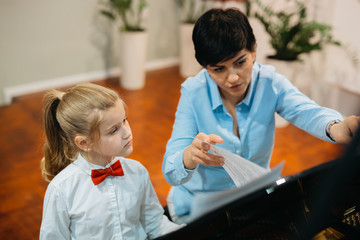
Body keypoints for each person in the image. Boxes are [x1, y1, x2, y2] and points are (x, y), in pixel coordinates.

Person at [162, 8, 360, 224]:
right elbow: (170, 170)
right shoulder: (193, 93)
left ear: (254, 51)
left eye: (240, 62)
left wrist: (336, 127)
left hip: (253, 200)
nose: (233, 78)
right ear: (206, 68)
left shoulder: (269, 82)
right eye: (219, 69)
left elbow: (306, 110)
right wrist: (189, 157)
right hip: (200, 207)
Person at [40, 83, 183, 239]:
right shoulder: (61, 190)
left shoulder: (137, 171)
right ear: (84, 143)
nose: (127, 133)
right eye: (113, 130)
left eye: (124, 120)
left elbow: (154, 223)